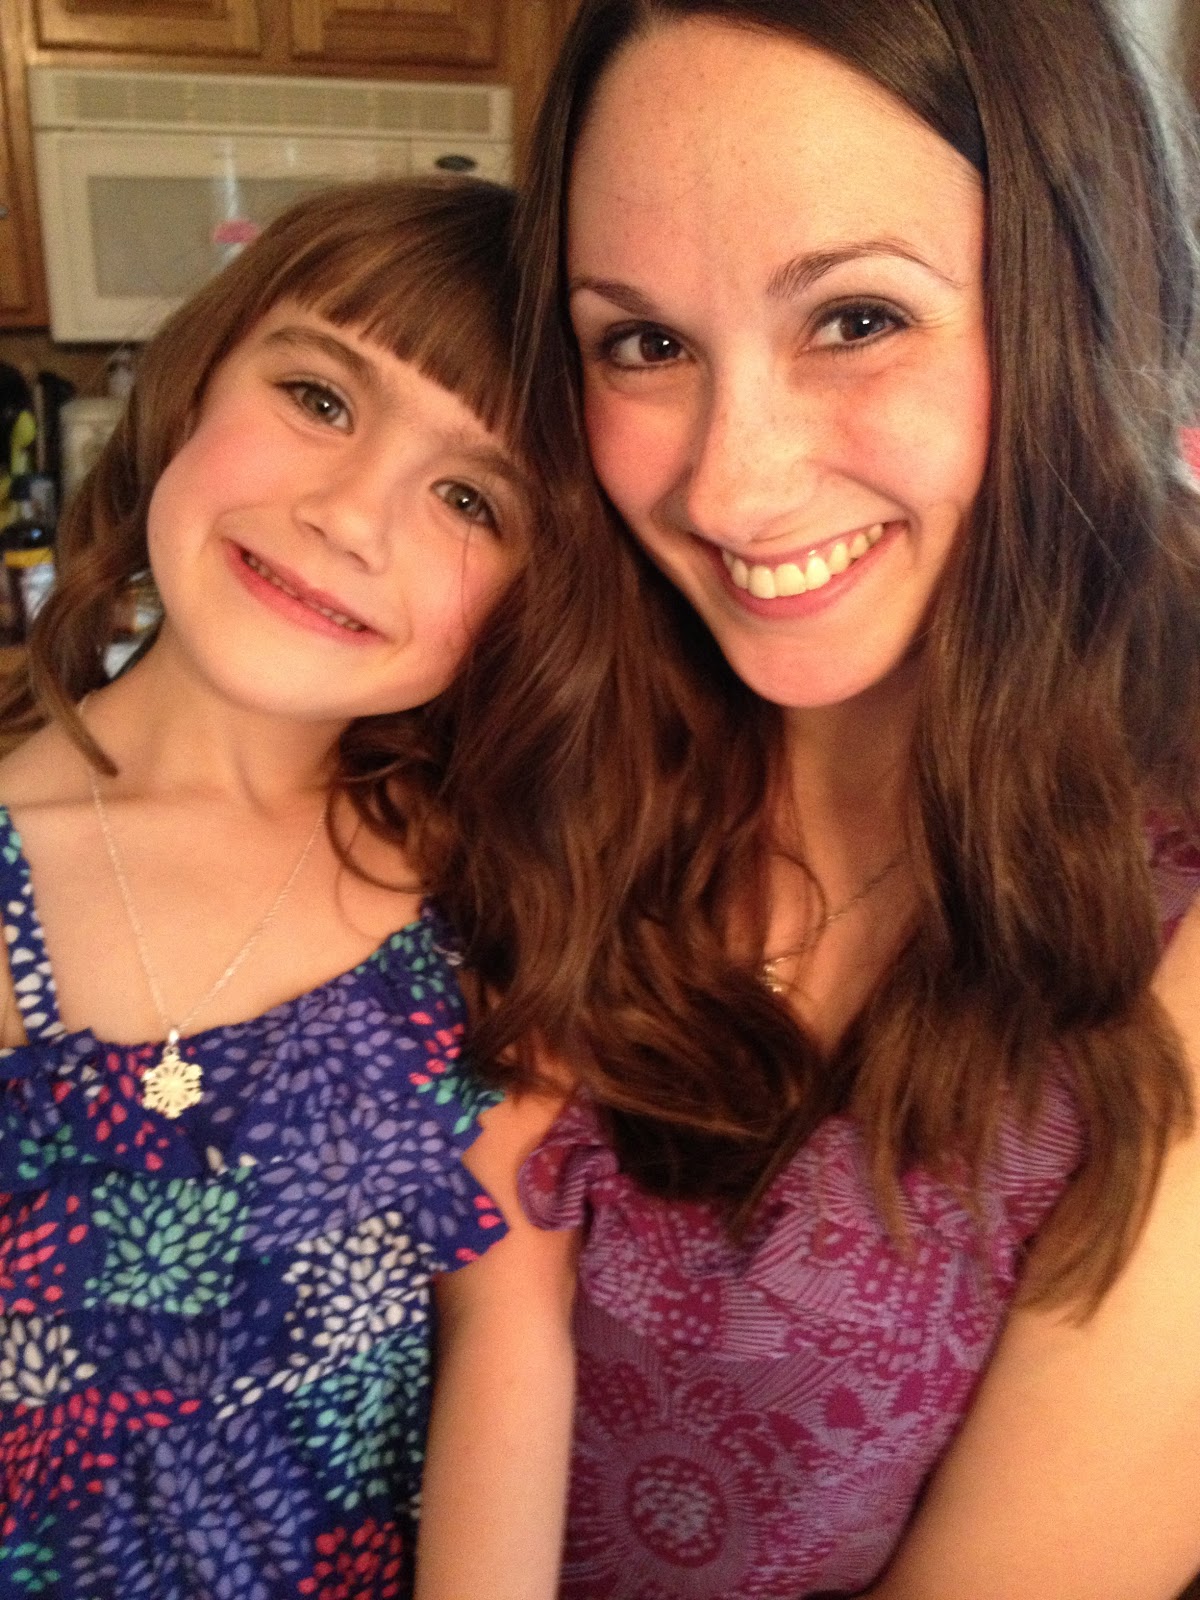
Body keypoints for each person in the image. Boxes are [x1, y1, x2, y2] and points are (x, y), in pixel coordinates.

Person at [510, 1, 1200, 1596]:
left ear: (1077, 298)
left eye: (858, 318)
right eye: (646, 344)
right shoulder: (541, 753)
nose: (729, 484)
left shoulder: (1168, 930)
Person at [0, 178, 578, 1600]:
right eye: (320, 398)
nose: (349, 515)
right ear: (195, 384)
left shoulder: (490, 899)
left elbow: (511, 1343)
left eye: (469, 498)